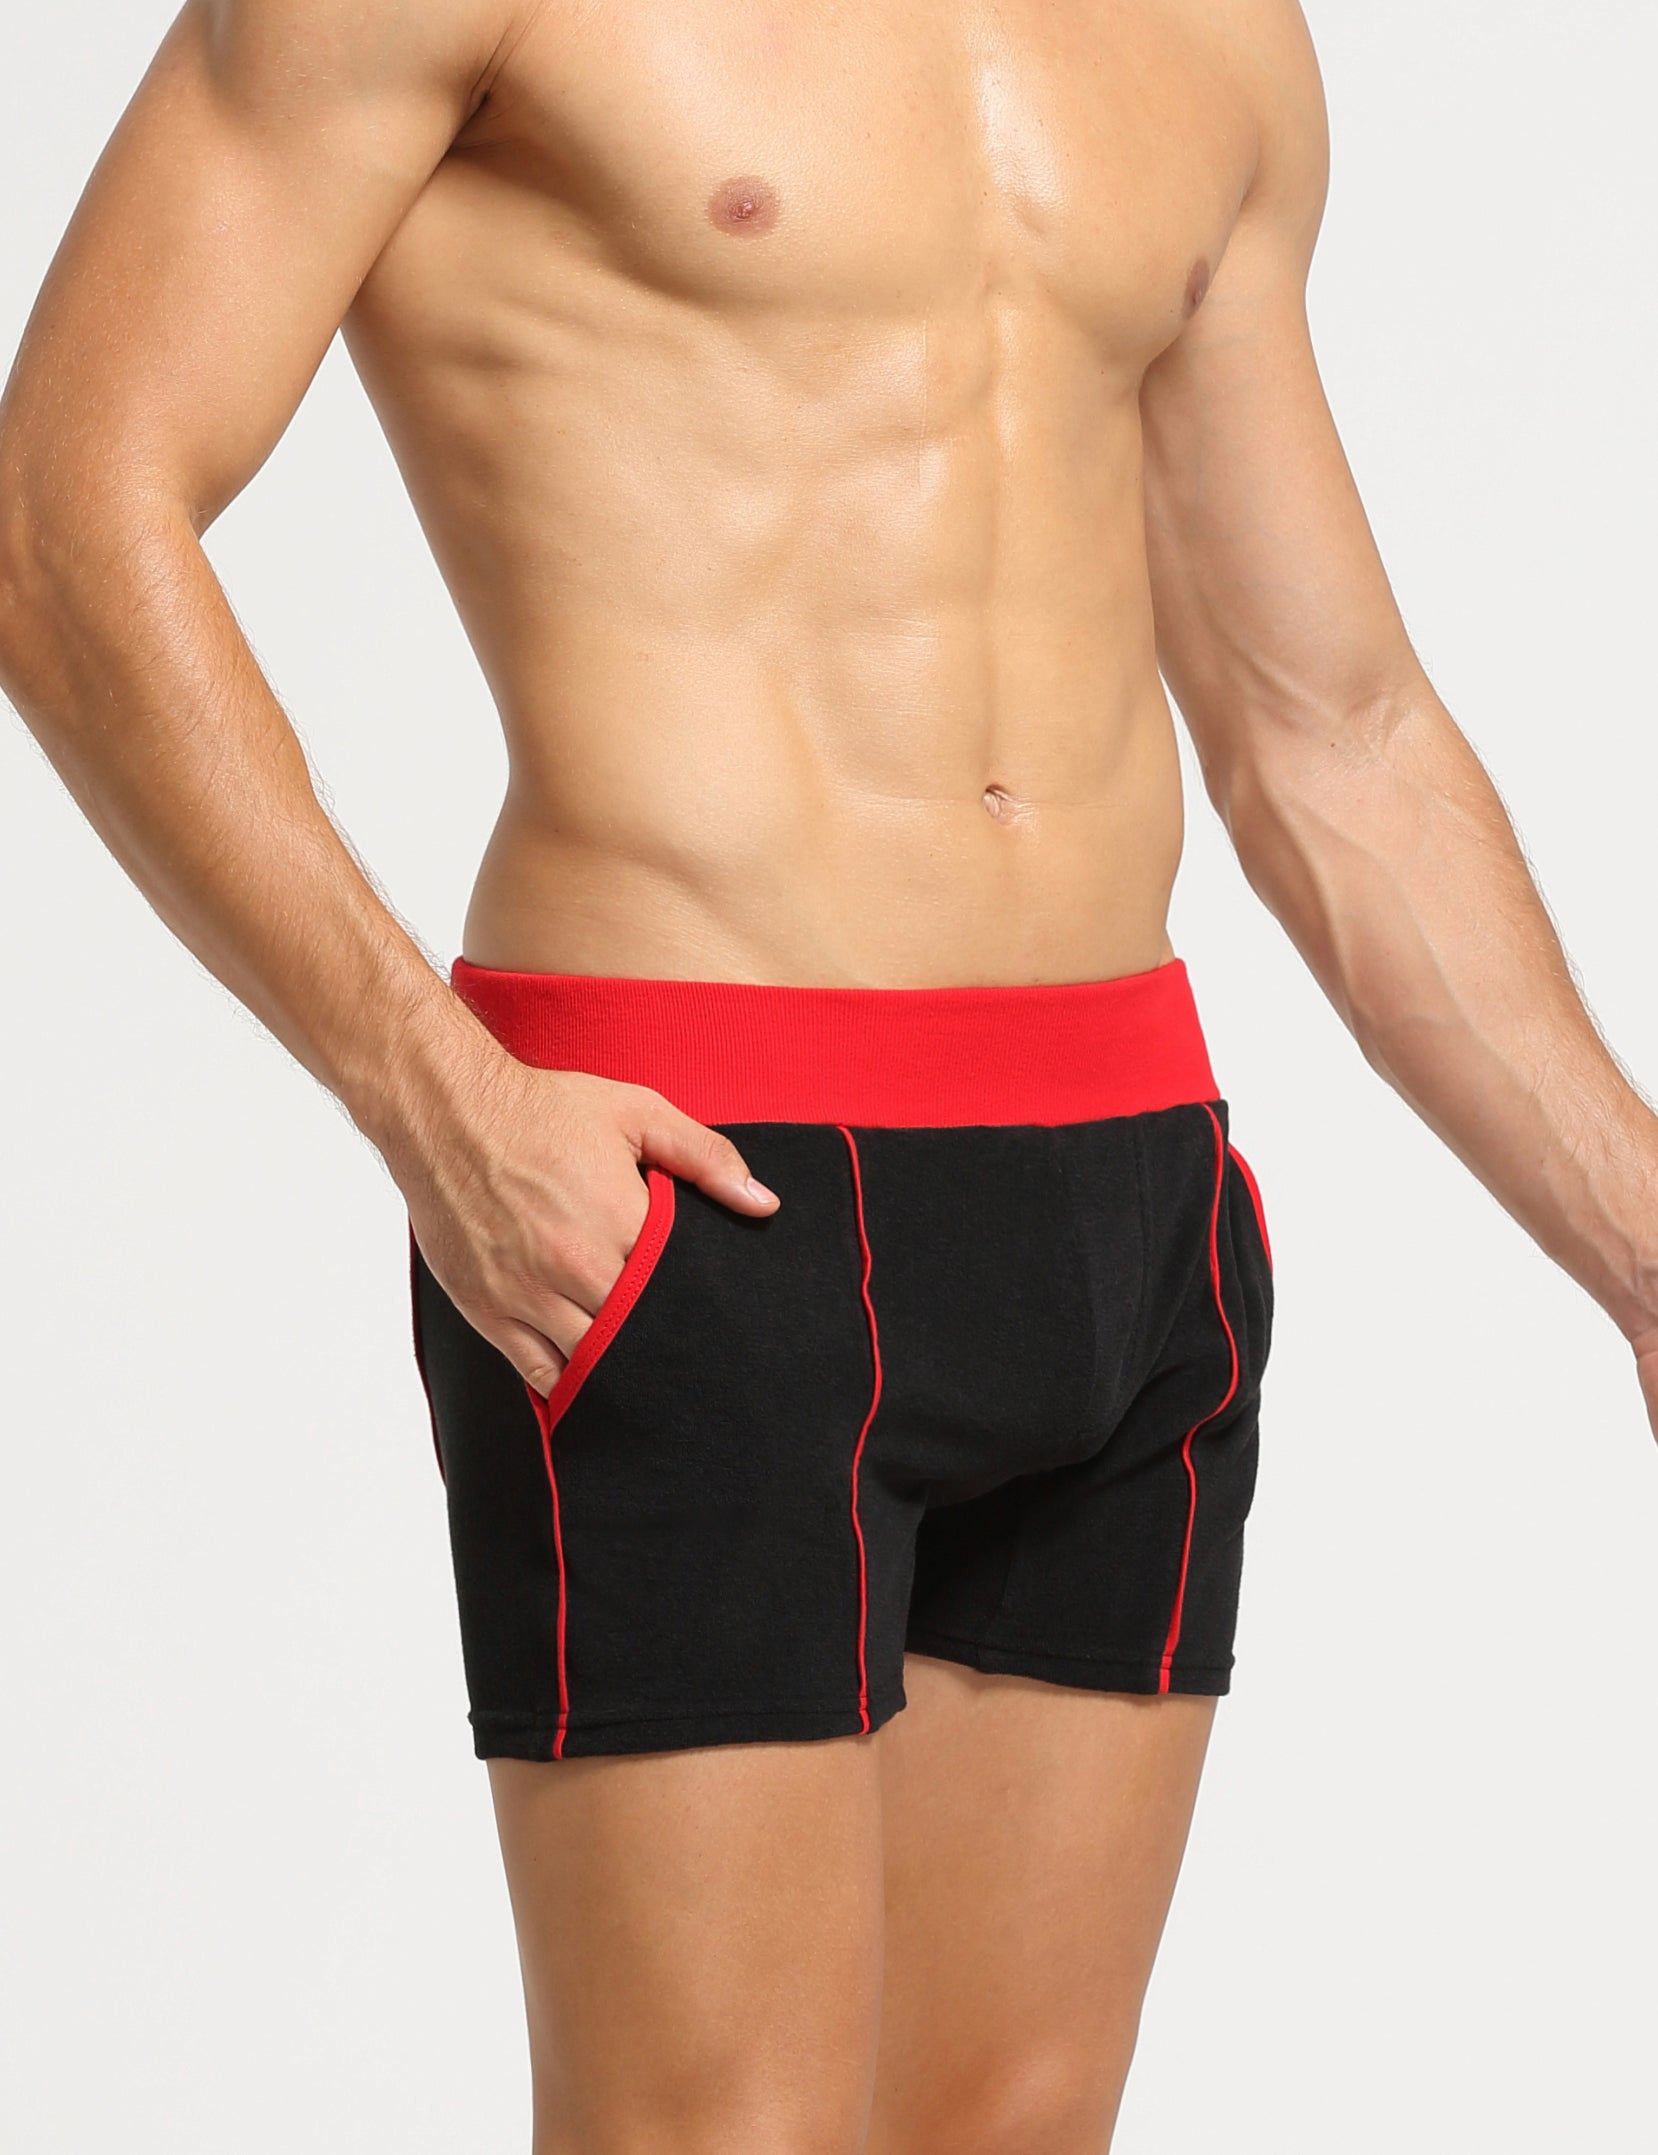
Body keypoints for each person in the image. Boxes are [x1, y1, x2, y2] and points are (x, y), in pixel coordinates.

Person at [1, 0, 1653, 2146]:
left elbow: (1326, 726)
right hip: (701, 1186)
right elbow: (66, 508)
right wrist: (436, 1097)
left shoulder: (1206, 36)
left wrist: (1642, 1250)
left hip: (1123, 1195)